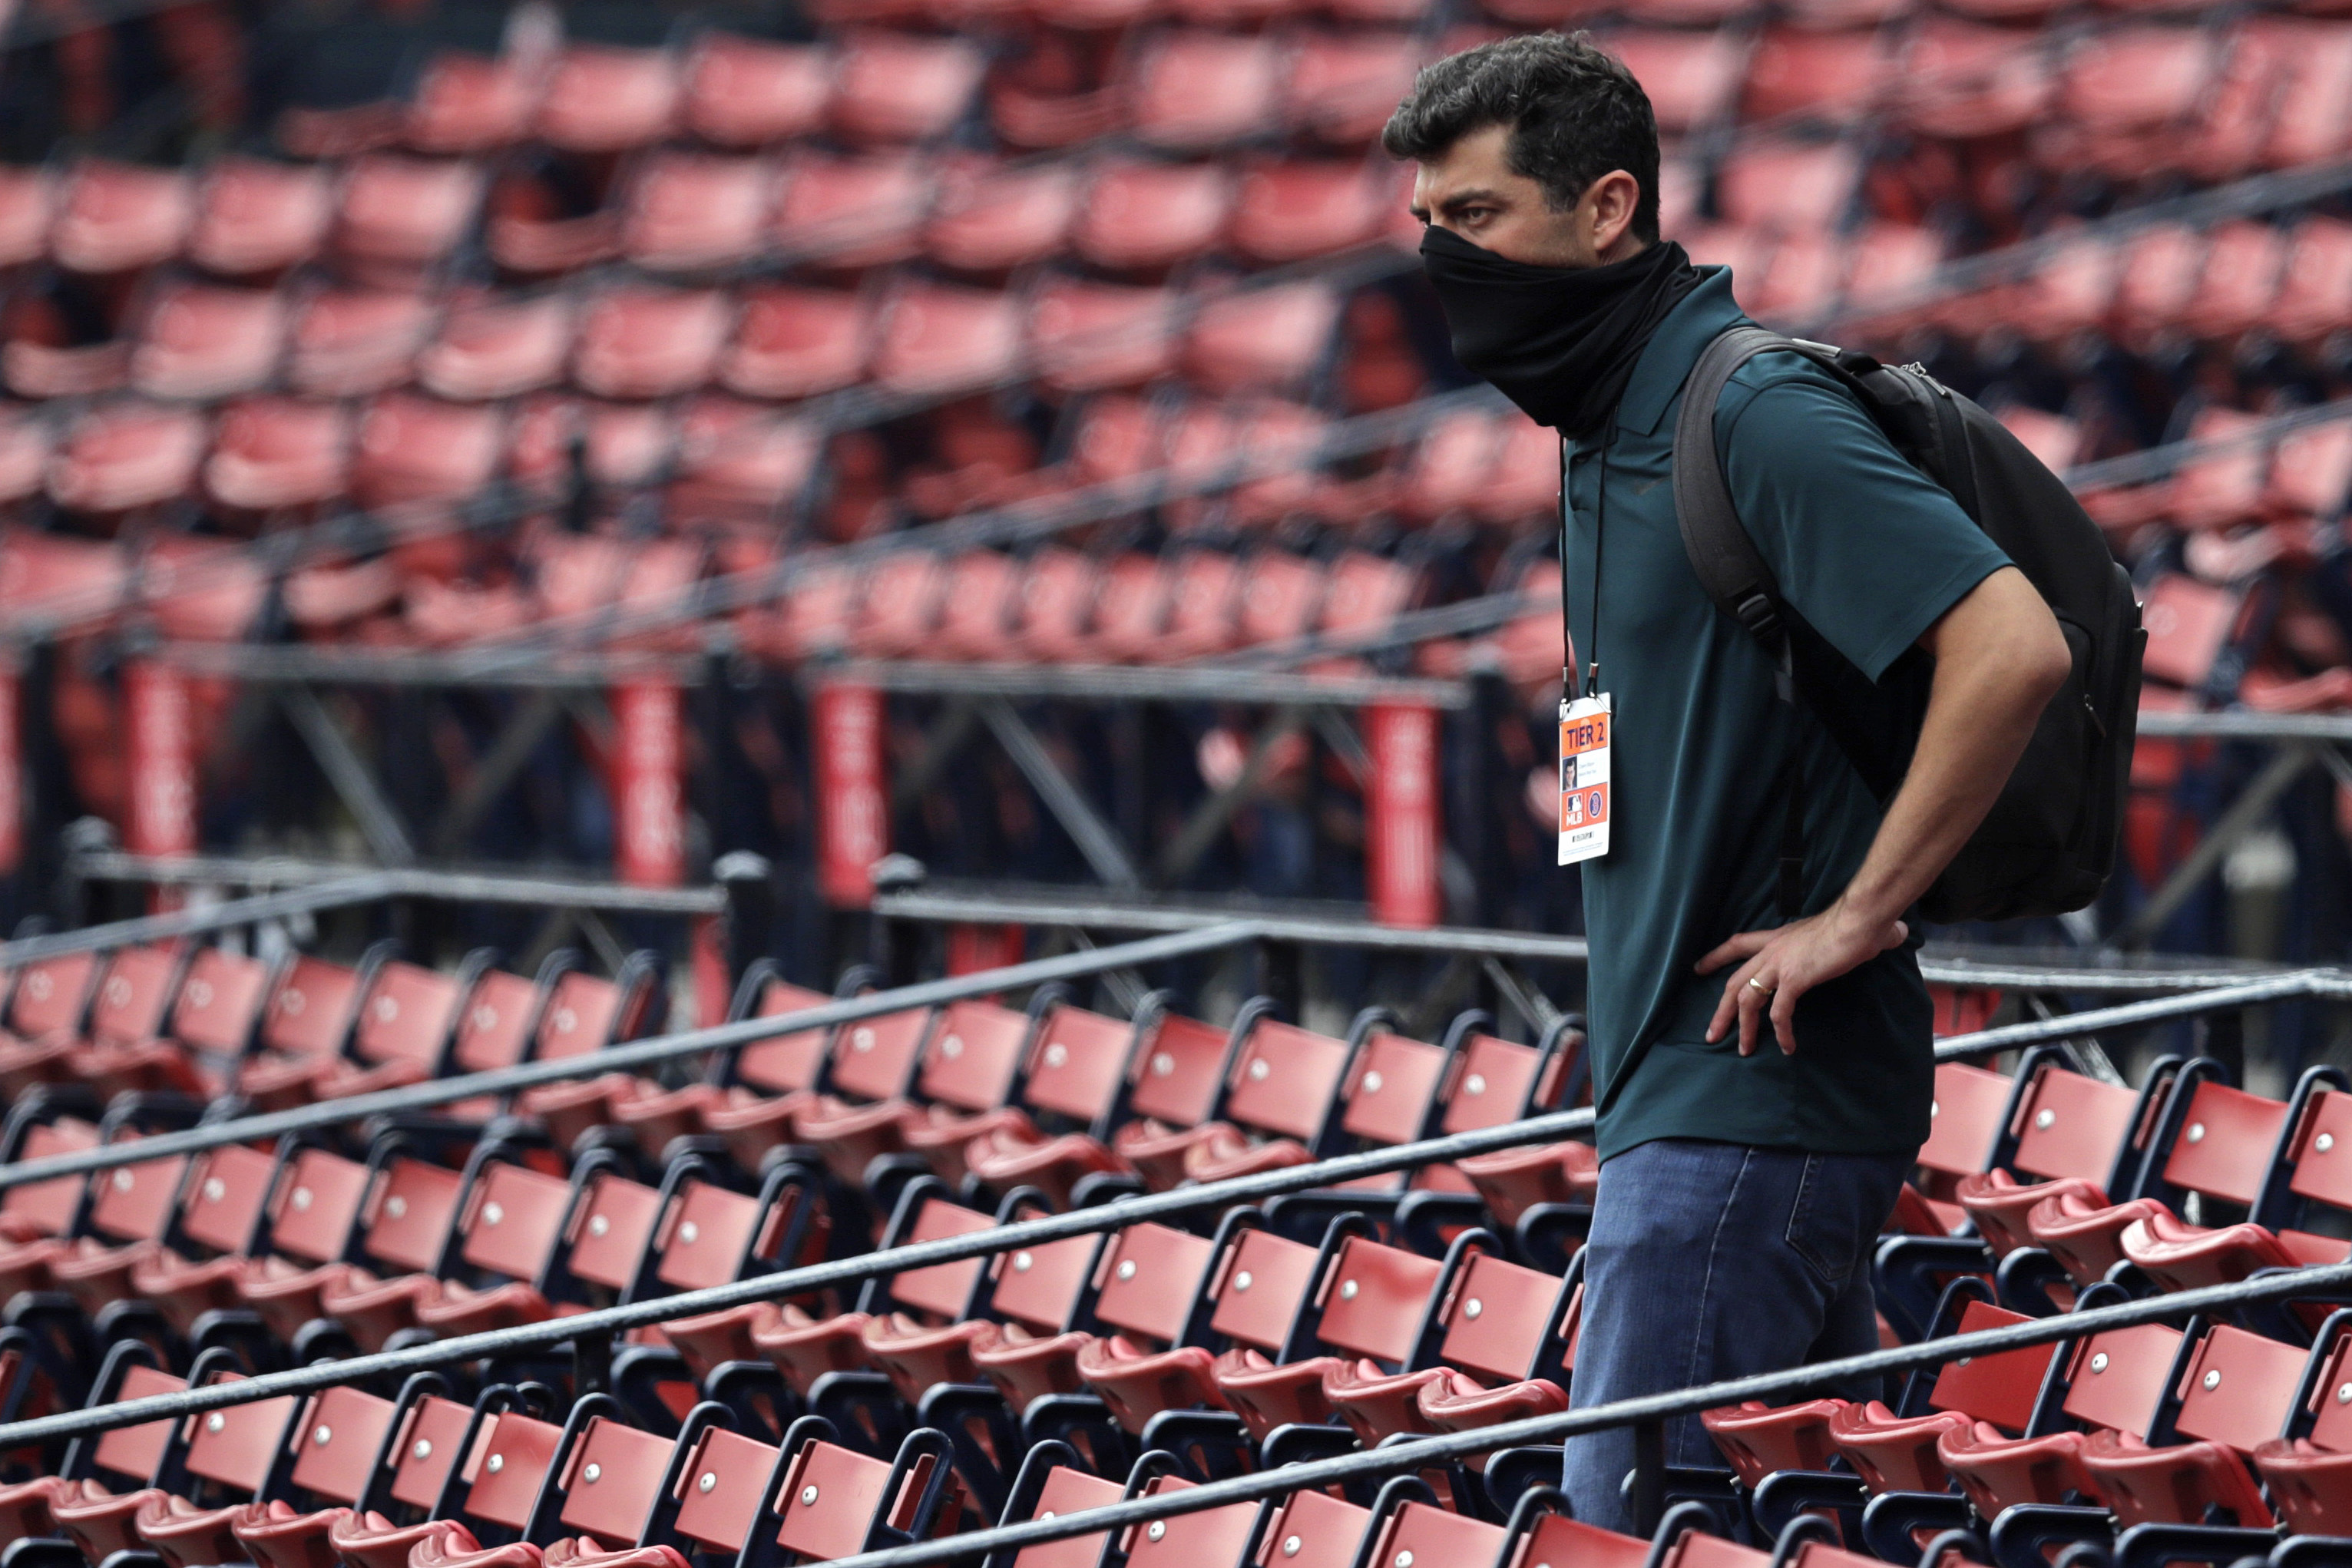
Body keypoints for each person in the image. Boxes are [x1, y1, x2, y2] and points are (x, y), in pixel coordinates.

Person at [1380, 34, 2074, 1530]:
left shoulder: (1743, 405)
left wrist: (1858, 913)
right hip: (1685, 1098)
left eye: (1478, 217)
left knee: (1630, 1534)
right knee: (1814, 1531)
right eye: (1428, 223)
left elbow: (2008, 645)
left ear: (1607, 206)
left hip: (1742, 1103)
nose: (1444, 257)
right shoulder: (1602, 416)